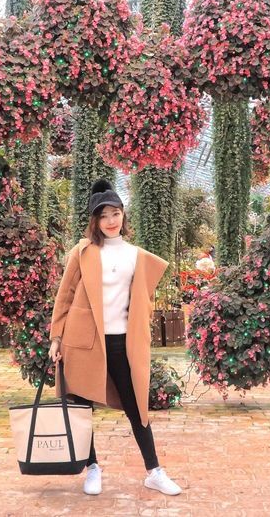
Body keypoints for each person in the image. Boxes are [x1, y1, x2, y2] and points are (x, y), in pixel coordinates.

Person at [48, 179, 181, 497]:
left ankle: (154, 471)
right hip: (82, 341)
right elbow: (64, 297)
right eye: (104, 215)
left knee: (137, 407)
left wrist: (142, 326)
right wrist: (56, 338)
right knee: (80, 407)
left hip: (123, 342)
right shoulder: (82, 253)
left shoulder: (137, 256)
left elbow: (144, 300)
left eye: (116, 213)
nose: (111, 220)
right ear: (95, 220)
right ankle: (92, 467)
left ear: (123, 215)